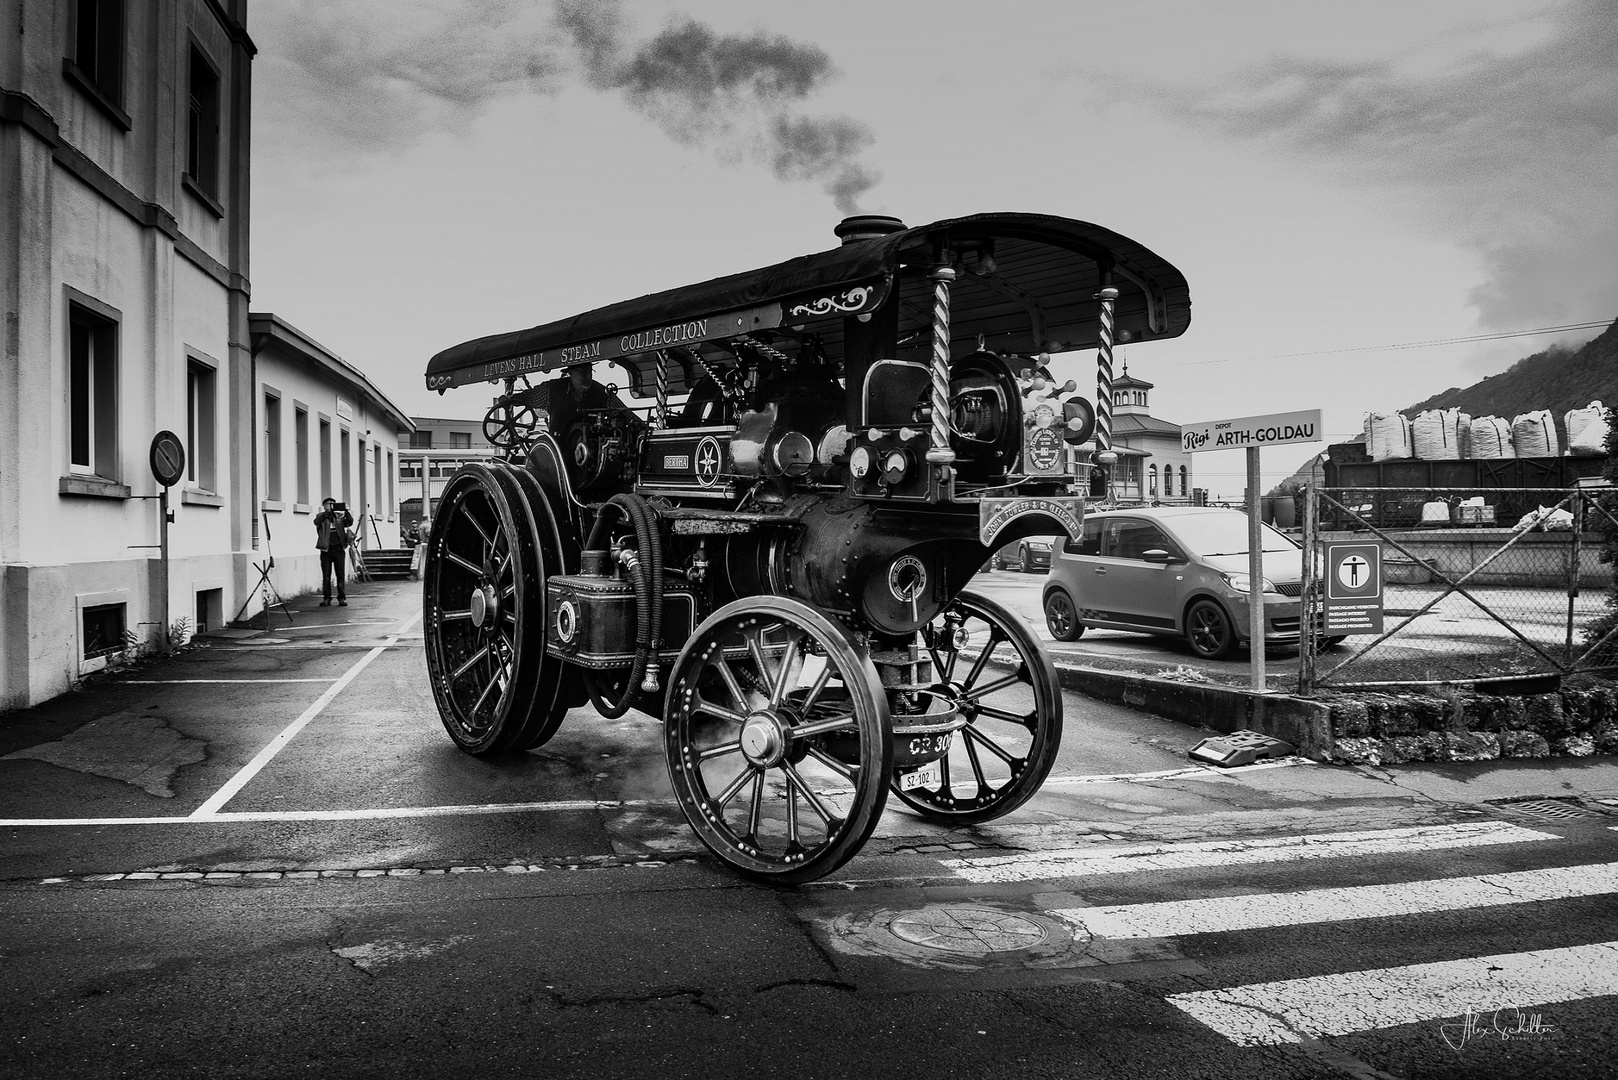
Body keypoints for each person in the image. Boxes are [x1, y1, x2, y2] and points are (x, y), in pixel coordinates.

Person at [313, 497, 354, 607]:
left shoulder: (339, 516)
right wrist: (326, 514)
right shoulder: (321, 516)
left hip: (339, 548)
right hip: (326, 549)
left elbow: (349, 523)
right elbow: (316, 522)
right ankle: (327, 598)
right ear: (324, 505)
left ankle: (341, 598)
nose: (331, 506)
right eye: (328, 504)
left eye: (332, 504)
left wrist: (346, 512)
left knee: (340, 574)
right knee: (326, 575)